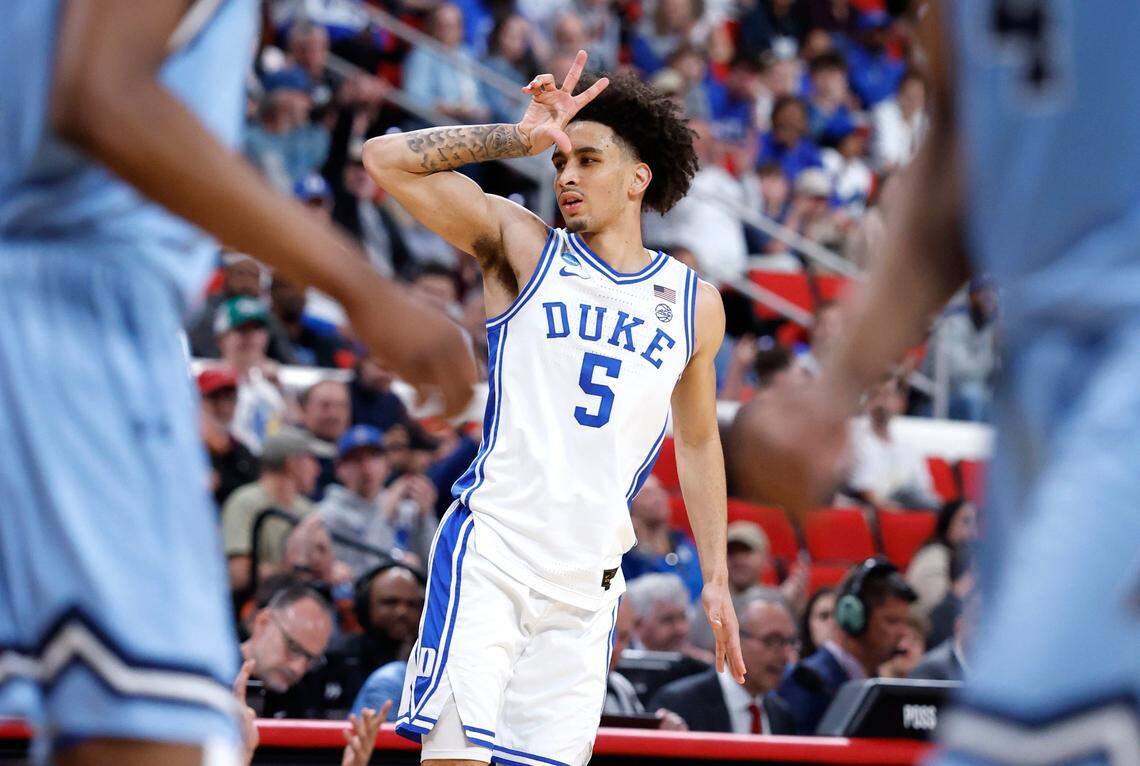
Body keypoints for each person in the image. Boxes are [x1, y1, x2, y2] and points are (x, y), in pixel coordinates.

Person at [0, 2, 474, 762]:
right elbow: (103, 95)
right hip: (70, 311)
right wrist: (365, 291)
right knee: (157, 739)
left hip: (60, 309)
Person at [363, 51, 745, 765]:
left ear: (638, 178)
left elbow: (697, 443)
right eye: (561, 162)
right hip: (497, 553)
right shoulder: (525, 247)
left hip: (588, 586)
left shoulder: (695, 305)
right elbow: (384, 159)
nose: (566, 176)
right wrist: (517, 138)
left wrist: (717, 577)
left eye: (588, 160)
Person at [775, 559, 916, 734]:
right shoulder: (807, 682)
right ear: (853, 619)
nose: (903, 632)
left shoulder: (875, 681)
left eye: (905, 622)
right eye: (892, 621)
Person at [650, 596, 797, 734]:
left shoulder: (781, 715)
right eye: (772, 640)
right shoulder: (679, 704)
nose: (785, 655)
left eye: (790, 642)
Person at [222, 427, 329, 596]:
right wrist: (291, 571)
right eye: (312, 460)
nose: (318, 470)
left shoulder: (306, 509)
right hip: (258, 604)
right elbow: (238, 575)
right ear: (292, 463)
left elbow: (323, 568)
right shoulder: (245, 502)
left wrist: (330, 569)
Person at [320, 425, 438, 572]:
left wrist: (425, 516)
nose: (366, 467)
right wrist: (385, 513)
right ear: (339, 469)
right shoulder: (329, 515)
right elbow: (366, 569)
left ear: (387, 463)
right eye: (356, 459)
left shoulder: (403, 506)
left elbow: (437, 566)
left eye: (373, 456)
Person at [690, 521, 806, 653]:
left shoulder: (782, 601)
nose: (739, 559)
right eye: (731, 553)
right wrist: (780, 599)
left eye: (746, 551)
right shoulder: (708, 604)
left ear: (766, 558)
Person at [845, 374, 940, 510]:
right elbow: (867, 493)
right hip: (882, 512)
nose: (881, 402)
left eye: (886, 395)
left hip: (909, 506)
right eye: (875, 394)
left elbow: (925, 489)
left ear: (900, 402)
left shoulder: (908, 444)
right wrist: (897, 514)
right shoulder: (857, 437)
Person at [603, 600, 688, 731]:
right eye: (607, 634)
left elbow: (635, 739)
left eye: (623, 637)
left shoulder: (621, 688)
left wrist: (660, 731)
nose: (614, 647)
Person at [622, 475, 703, 602]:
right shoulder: (627, 560)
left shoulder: (685, 543)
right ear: (630, 506)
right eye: (647, 494)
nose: (658, 498)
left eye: (660, 490)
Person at [198, 367, 261, 507]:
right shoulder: (187, 452)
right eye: (214, 398)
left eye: (230, 398)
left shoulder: (243, 453)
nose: (224, 407)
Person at [905, 500, 979, 616]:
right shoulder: (933, 555)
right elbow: (935, 611)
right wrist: (968, 582)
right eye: (966, 521)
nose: (973, 531)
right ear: (947, 523)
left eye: (976, 523)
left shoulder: (964, 558)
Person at [299, 379, 353, 497]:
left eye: (341, 406)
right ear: (304, 409)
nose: (333, 414)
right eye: (325, 406)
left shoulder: (358, 452)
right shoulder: (292, 454)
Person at [799, 587, 837, 659]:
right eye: (824, 616)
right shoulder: (796, 665)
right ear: (808, 625)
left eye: (838, 615)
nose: (834, 622)